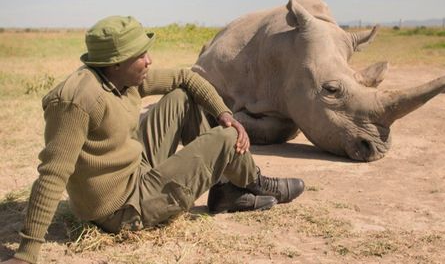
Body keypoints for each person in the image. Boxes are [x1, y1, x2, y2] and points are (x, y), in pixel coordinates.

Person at [2, 16, 304, 264]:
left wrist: (224, 112)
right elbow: (52, 174)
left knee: (182, 98)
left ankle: (225, 192)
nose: (149, 61)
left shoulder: (124, 78)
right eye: (140, 56)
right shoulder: (77, 101)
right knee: (226, 139)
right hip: (121, 208)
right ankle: (255, 182)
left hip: (135, 170)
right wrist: (27, 253)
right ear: (116, 63)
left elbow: (187, 78)